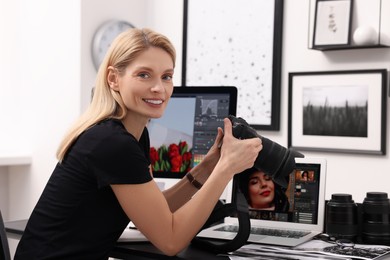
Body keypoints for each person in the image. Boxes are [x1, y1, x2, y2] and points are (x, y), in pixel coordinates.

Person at [14, 28, 262, 259]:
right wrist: (225, 169)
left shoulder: (132, 135)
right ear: (113, 79)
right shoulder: (112, 143)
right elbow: (171, 240)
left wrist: (207, 168)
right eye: (144, 75)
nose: (159, 88)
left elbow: (156, 211)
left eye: (167, 76)